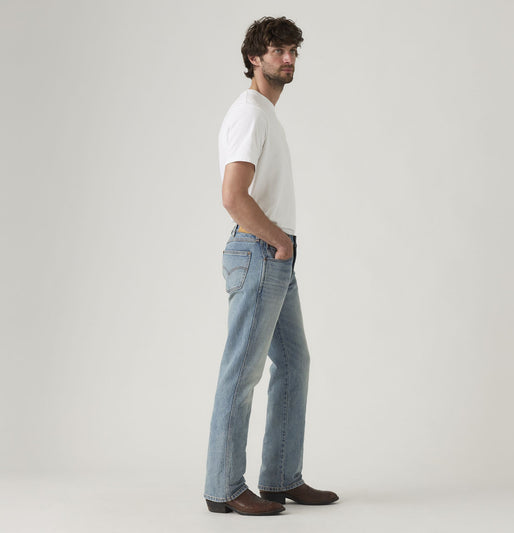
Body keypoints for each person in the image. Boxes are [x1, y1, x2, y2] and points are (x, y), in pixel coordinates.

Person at [204, 16, 339, 516]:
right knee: (242, 371)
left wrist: (282, 246)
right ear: (253, 58)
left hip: (273, 254)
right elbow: (233, 196)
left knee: (294, 363)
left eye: (293, 51)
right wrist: (280, 241)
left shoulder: (264, 114)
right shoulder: (251, 114)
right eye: (278, 50)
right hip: (261, 250)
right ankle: (223, 488)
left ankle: (281, 476)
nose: (288, 59)